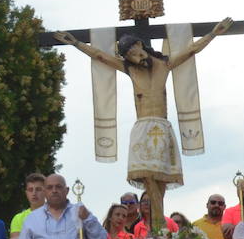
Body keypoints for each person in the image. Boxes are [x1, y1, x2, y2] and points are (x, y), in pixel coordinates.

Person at [53, 21, 233, 225]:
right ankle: (158, 227)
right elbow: (100, 56)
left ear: (140, 44)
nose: (134, 58)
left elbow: (191, 51)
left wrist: (213, 34)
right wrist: (76, 43)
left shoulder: (165, 65)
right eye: (128, 56)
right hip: (142, 128)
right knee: (148, 177)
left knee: (162, 180)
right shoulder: (130, 70)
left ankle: (158, 227)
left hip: (162, 126)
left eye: (134, 51)